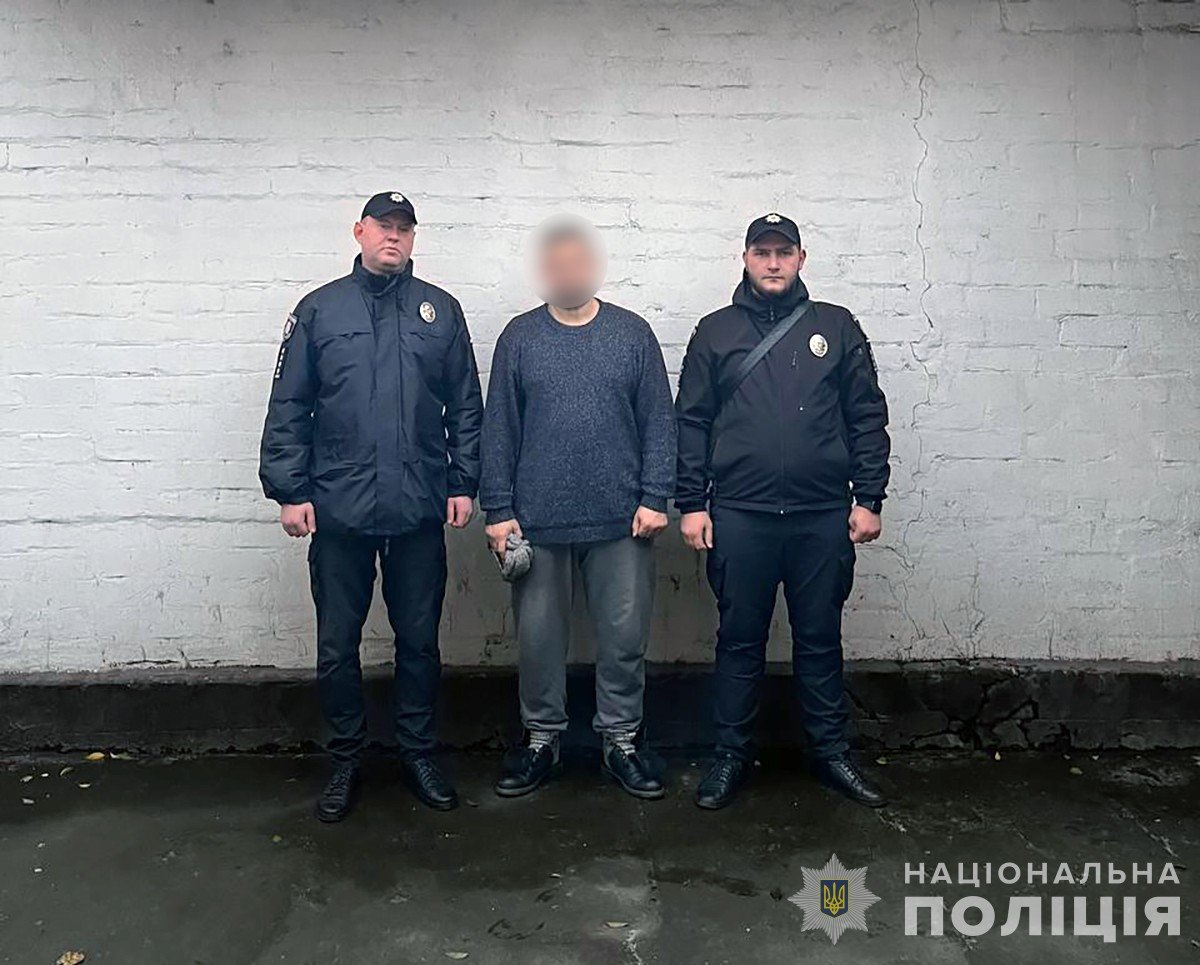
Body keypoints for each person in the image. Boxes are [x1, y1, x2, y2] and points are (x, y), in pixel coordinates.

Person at [259, 191, 483, 822]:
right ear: (358, 231)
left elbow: (466, 406)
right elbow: (290, 405)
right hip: (340, 510)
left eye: (404, 228)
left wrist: (463, 482)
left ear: (414, 238)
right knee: (337, 645)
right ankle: (344, 761)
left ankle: (418, 754)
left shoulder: (440, 312)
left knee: (419, 642)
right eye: (383, 226)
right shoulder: (320, 310)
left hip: (417, 507)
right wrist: (291, 490)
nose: (394, 236)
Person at [674, 212, 891, 810]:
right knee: (739, 642)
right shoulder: (715, 332)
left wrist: (869, 497)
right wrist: (691, 504)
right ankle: (730, 757)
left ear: (801, 258)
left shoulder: (836, 327)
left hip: (820, 516)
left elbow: (866, 415)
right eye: (762, 252)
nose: (773, 263)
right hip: (740, 515)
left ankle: (830, 754)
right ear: (745, 258)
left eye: (783, 252)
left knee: (819, 641)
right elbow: (691, 422)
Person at [479, 215, 676, 800]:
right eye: (557, 263)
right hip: (536, 523)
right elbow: (499, 429)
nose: (568, 272)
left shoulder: (632, 335)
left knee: (624, 637)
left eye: (578, 261)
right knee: (539, 640)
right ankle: (541, 740)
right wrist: (498, 510)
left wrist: (655, 496)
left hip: (623, 521)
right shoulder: (520, 338)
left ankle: (622, 741)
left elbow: (659, 421)